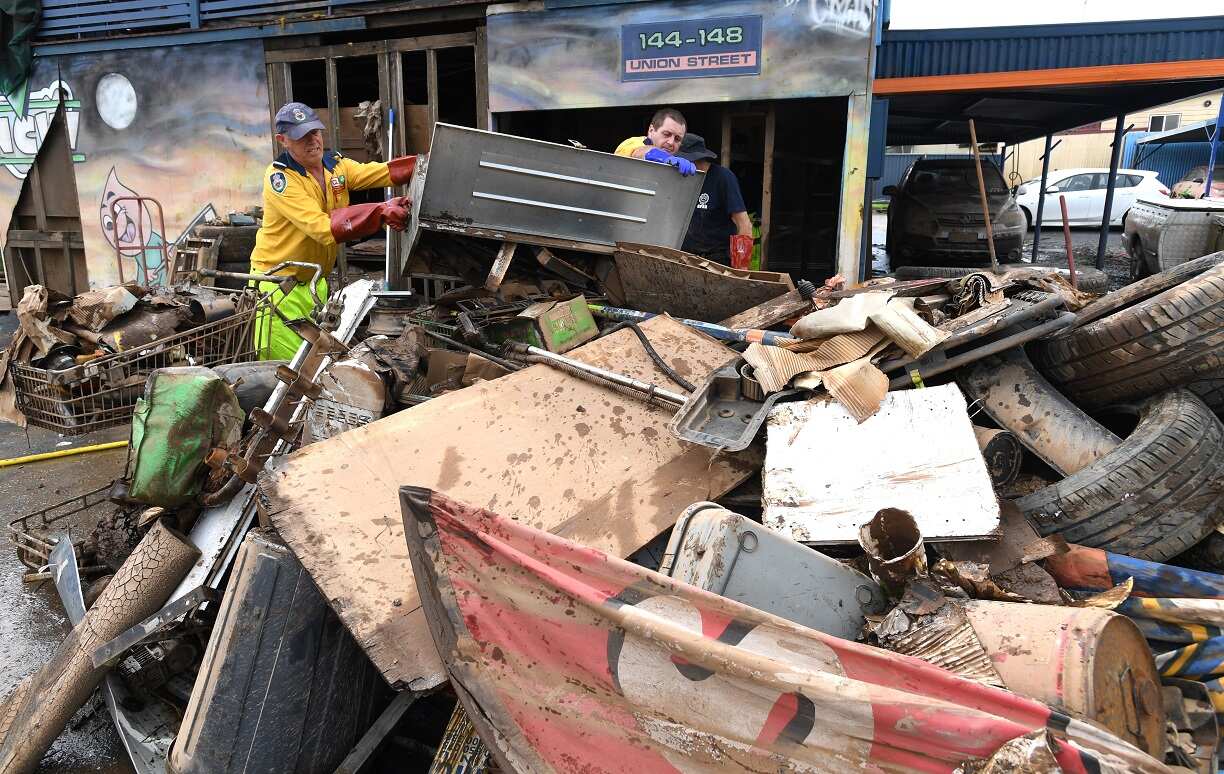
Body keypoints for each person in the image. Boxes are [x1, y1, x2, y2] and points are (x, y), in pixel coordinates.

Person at [249, 101, 418, 360]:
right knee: (284, 370)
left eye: (314, 132)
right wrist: (381, 212)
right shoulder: (280, 179)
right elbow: (321, 228)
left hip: (315, 283)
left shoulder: (335, 166)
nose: (312, 141)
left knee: (315, 365)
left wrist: (423, 164)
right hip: (279, 287)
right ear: (283, 140)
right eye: (301, 136)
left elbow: (379, 172)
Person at [674, 133, 752, 264]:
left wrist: (740, 267)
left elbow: (744, 224)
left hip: (717, 260)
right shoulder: (680, 177)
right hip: (685, 258)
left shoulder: (723, 178)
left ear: (697, 159)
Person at [614, 108, 697, 176]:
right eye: (666, 134)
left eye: (677, 139)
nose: (671, 142)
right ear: (651, 130)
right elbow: (640, 152)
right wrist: (662, 157)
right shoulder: (632, 143)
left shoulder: (674, 165)